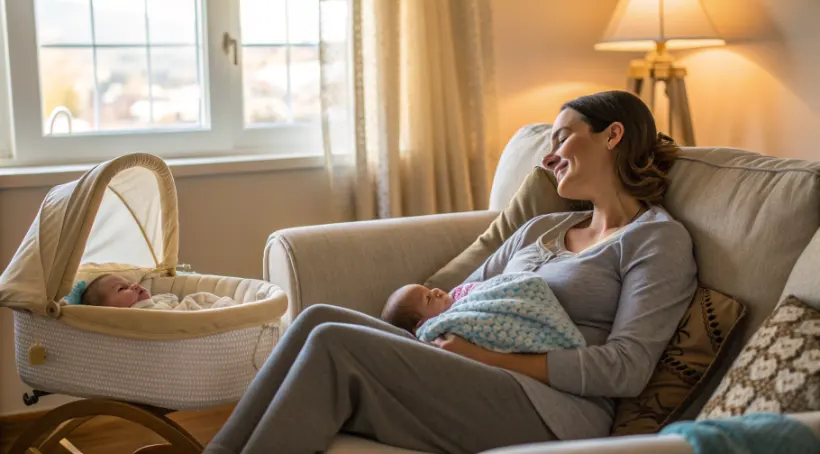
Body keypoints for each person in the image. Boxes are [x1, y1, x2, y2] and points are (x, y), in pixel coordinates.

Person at [204, 90, 698, 454]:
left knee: (335, 341)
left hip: (552, 409)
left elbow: (627, 368)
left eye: (563, 137)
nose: (549, 157)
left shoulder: (657, 239)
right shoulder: (541, 228)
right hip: (471, 371)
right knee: (317, 318)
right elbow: (464, 298)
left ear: (613, 135)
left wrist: (489, 357)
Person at [381, 273, 587, 354]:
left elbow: (490, 291)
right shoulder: (439, 329)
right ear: (422, 324)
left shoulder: (460, 294)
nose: (435, 291)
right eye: (428, 299)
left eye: (429, 290)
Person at [65, 274, 236, 310]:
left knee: (199, 299)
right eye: (122, 289)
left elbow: (171, 300)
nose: (133, 286)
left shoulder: (153, 300)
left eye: (129, 283)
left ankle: (222, 307)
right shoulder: (129, 319)